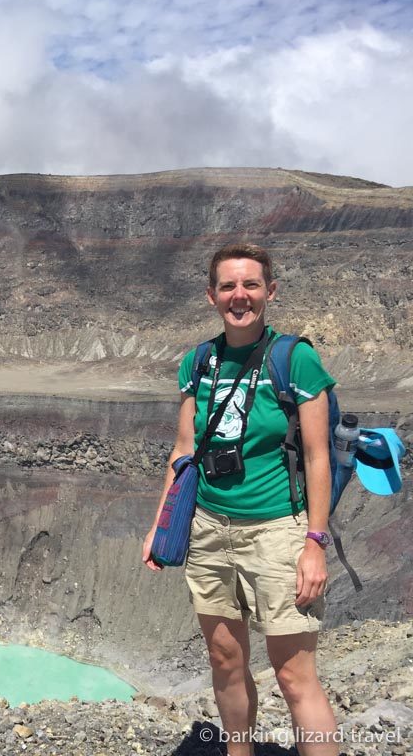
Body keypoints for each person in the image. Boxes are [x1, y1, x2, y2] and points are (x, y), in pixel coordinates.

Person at [142, 242, 339, 756]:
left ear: (269, 292)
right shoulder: (198, 363)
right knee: (225, 661)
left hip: (279, 534)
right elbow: (183, 451)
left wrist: (314, 543)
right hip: (209, 530)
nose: (239, 296)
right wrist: (162, 524)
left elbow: (319, 458)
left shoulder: (295, 360)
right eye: (228, 286)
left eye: (250, 285)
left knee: (295, 677)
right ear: (211, 296)